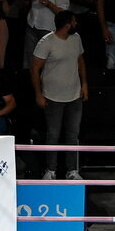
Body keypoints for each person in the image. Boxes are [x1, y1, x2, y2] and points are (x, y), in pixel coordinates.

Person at [31, 10, 87, 181]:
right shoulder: (46, 42)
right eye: (74, 21)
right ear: (67, 24)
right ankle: (51, 170)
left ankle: (72, 170)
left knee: (72, 135)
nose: (76, 24)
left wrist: (84, 85)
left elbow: (80, 61)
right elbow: (34, 69)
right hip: (53, 97)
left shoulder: (76, 39)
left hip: (74, 96)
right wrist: (38, 94)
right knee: (53, 135)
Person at [23, 0, 69, 68]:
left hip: (48, 29)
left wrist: (50, 4)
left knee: (47, 61)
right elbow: (26, 3)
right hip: (31, 26)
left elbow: (63, 13)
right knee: (29, 59)